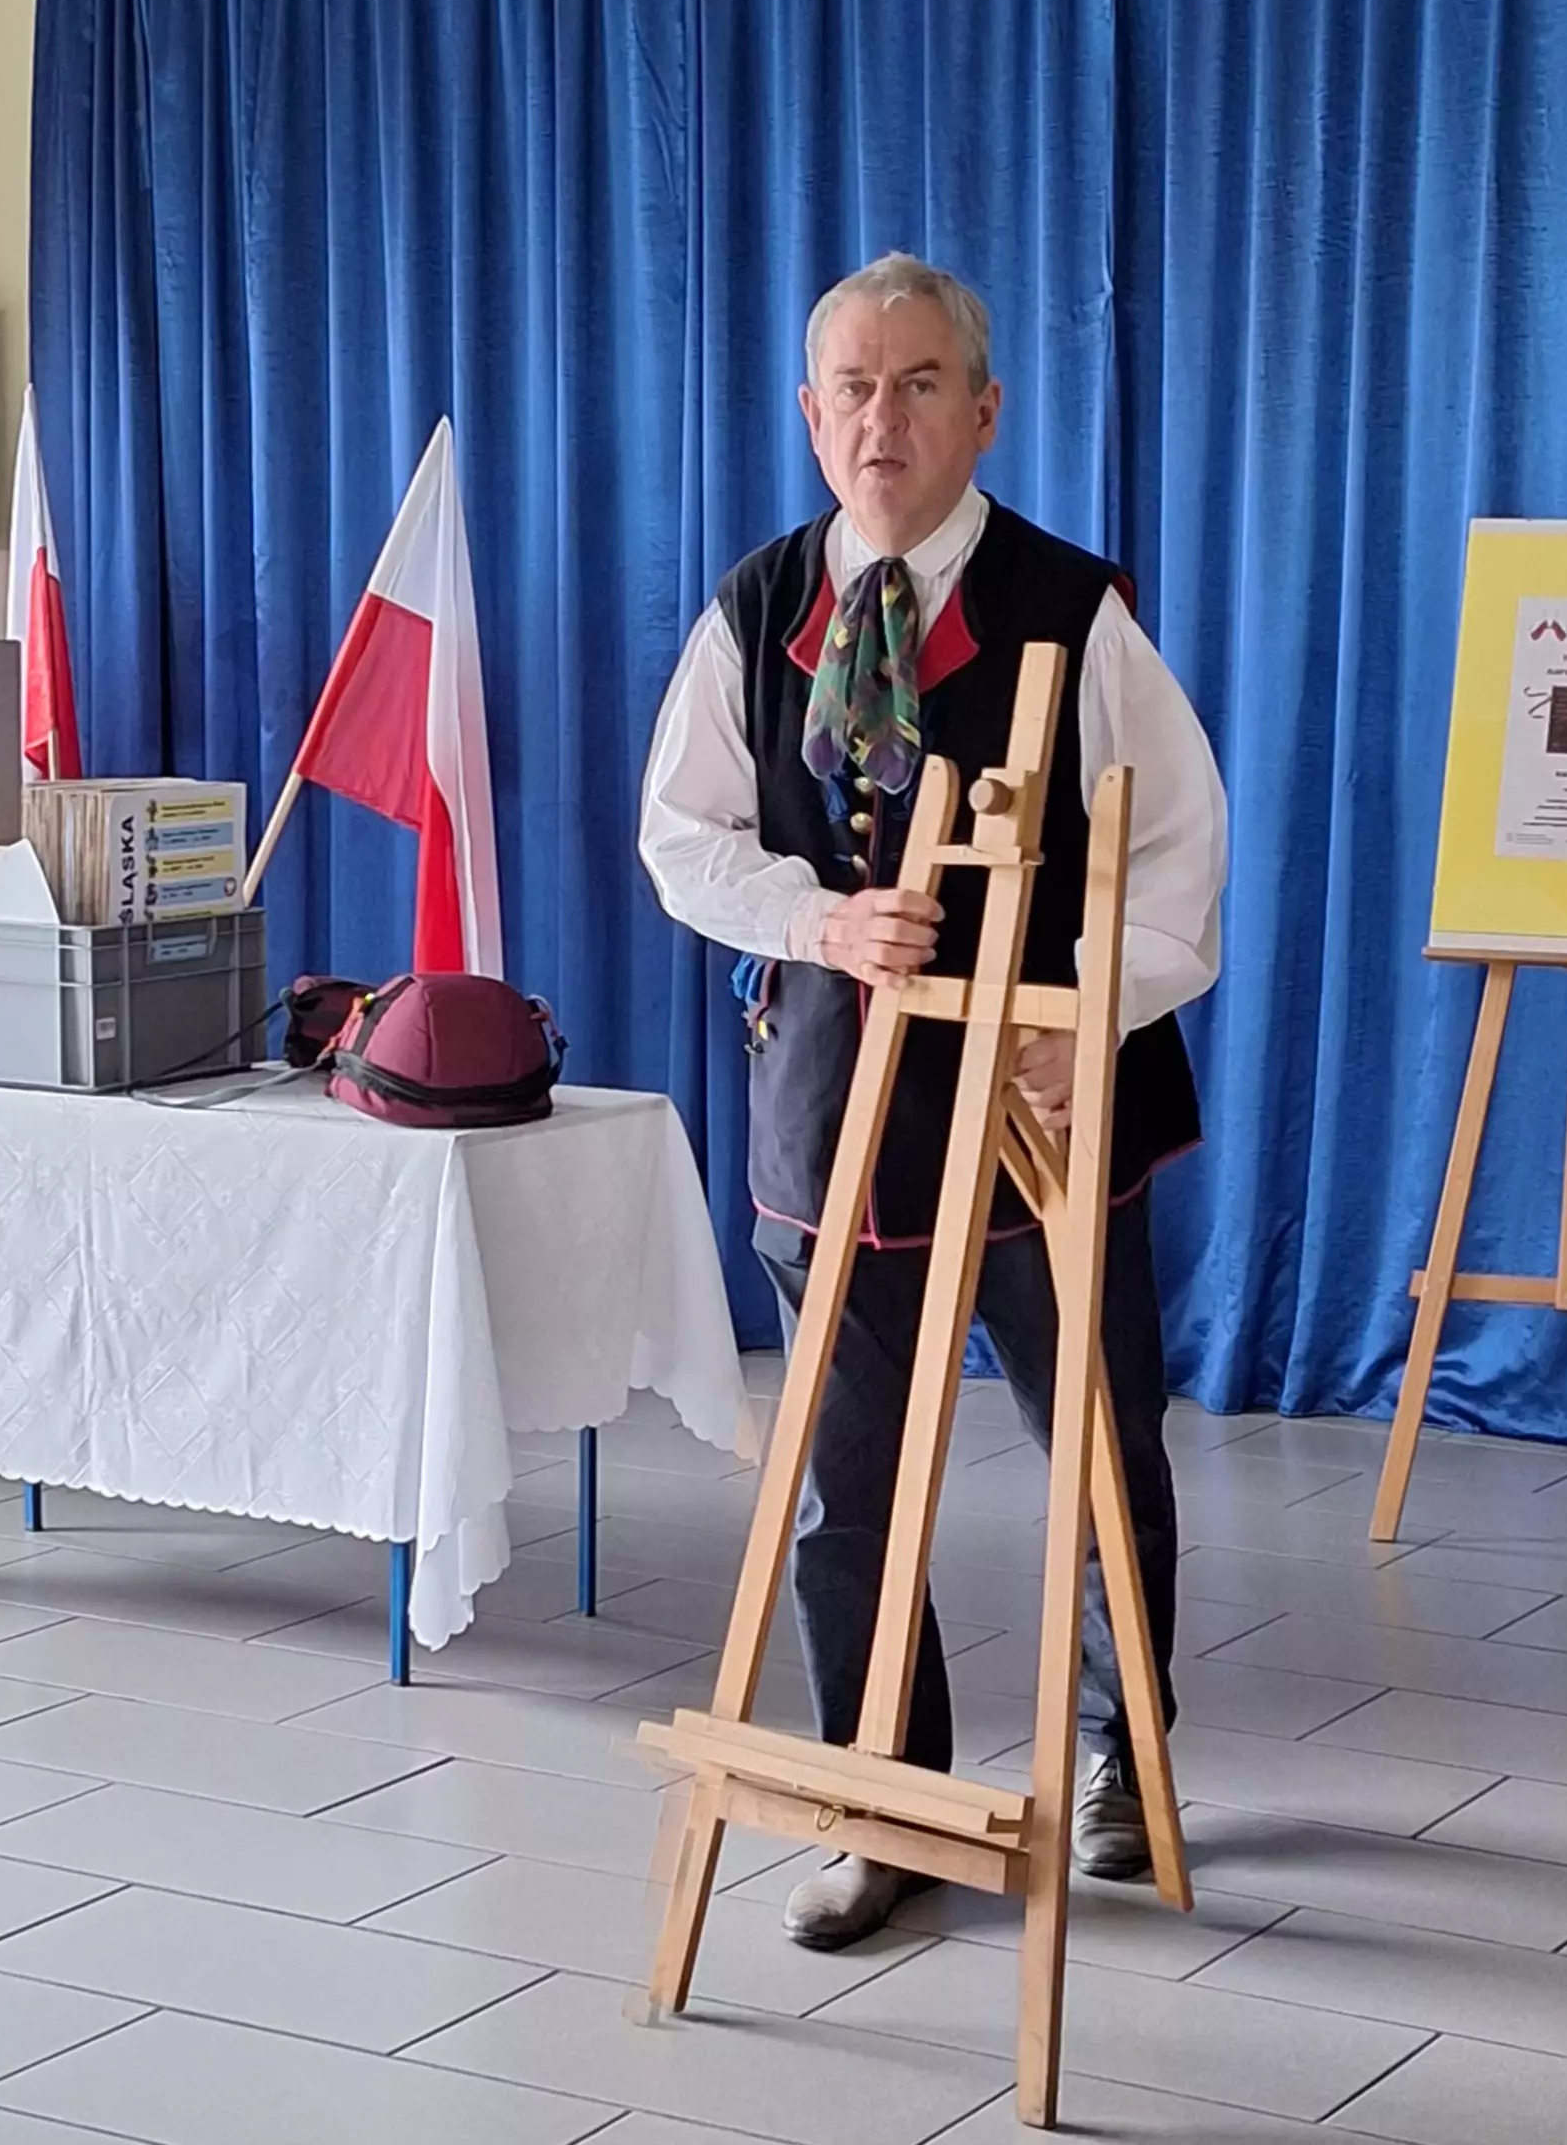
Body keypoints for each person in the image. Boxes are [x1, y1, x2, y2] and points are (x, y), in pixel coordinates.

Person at [639, 253, 1227, 1952]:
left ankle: (1119, 1757)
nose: (880, 419)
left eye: (917, 385)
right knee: (844, 1481)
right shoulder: (756, 609)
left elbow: (1179, 853)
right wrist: (817, 919)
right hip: (839, 1099)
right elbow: (683, 836)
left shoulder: (1074, 612)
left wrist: (1089, 1017)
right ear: (809, 414)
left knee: (1100, 1446)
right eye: (852, 387)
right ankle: (883, 1793)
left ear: (983, 410)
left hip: (1047, 1102)